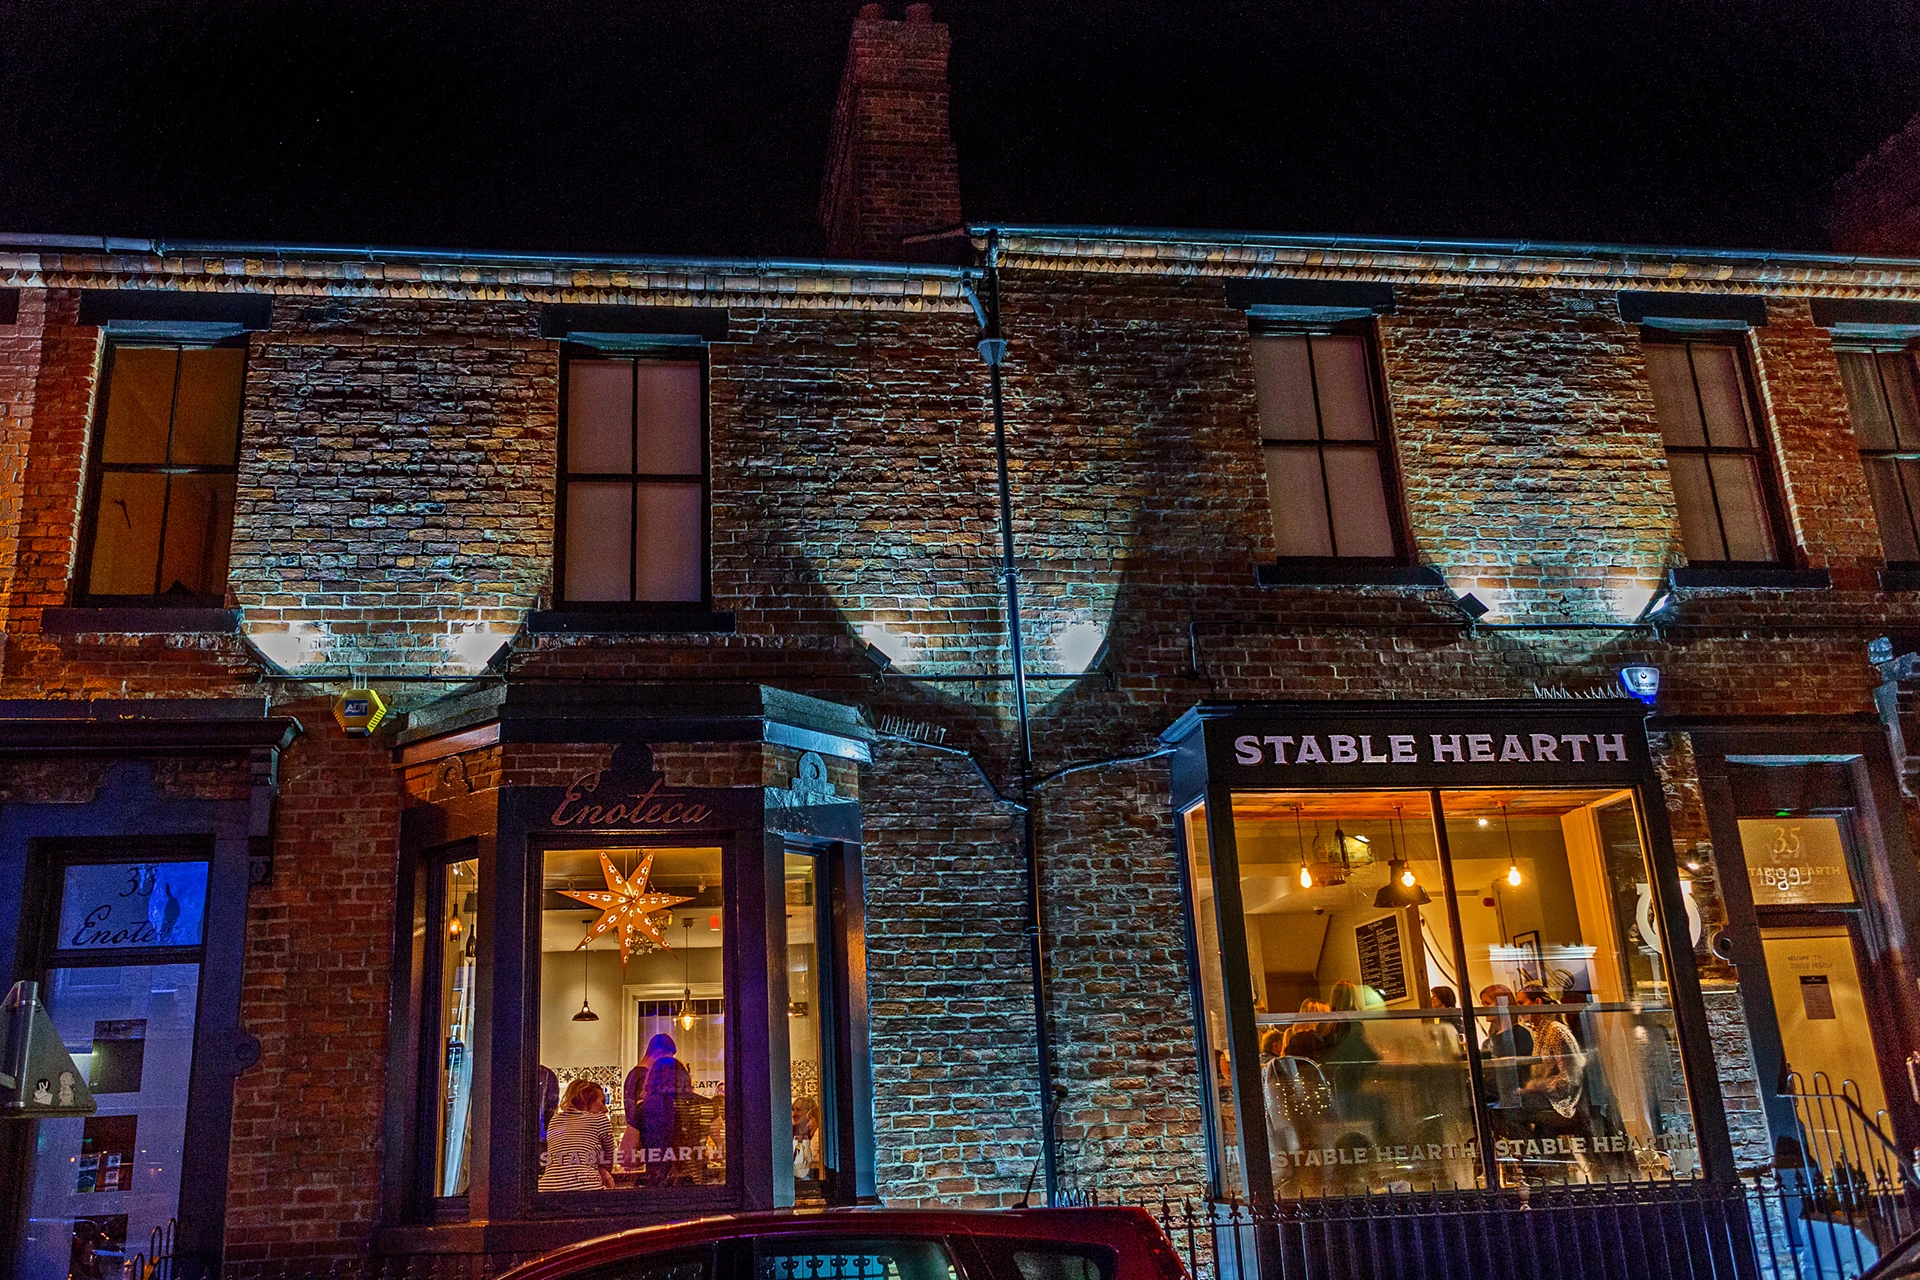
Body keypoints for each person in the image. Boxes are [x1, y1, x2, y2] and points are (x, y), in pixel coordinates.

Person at [539, 1078, 614, 1191]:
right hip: (586, 1188)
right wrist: (602, 1170)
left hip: (547, 1189)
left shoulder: (555, 1120)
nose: (605, 1109)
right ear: (586, 1100)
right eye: (602, 1102)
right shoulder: (599, 1119)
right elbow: (608, 1160)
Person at [1478, 984, 1533, 1059]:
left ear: (1502, 1004)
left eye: (1488, 1003)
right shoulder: (1488, 1042)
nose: (1484, 1008)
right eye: (1483, 1004)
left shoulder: (1519, 1034)